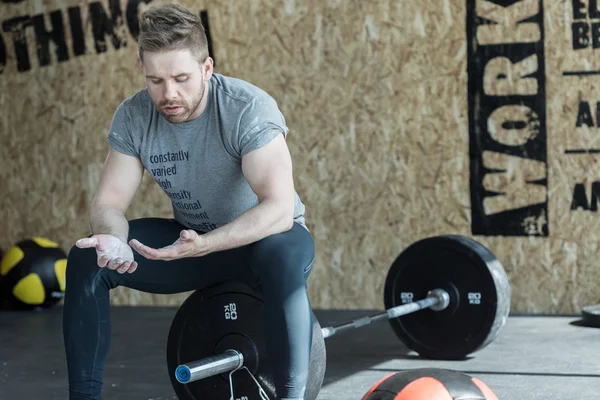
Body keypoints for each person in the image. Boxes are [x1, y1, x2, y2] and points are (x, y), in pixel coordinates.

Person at [62, 4, 315, 400]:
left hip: (264, 242)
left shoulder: (246, 108)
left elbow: (279, 208)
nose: (169, 94)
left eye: (181, 78)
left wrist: (206, 243)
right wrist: (111, 236)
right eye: (156, 80)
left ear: (207, 68)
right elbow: (109, 202)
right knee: (87, 260)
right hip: (194, 245)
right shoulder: (134, 116)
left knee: (281, 256)